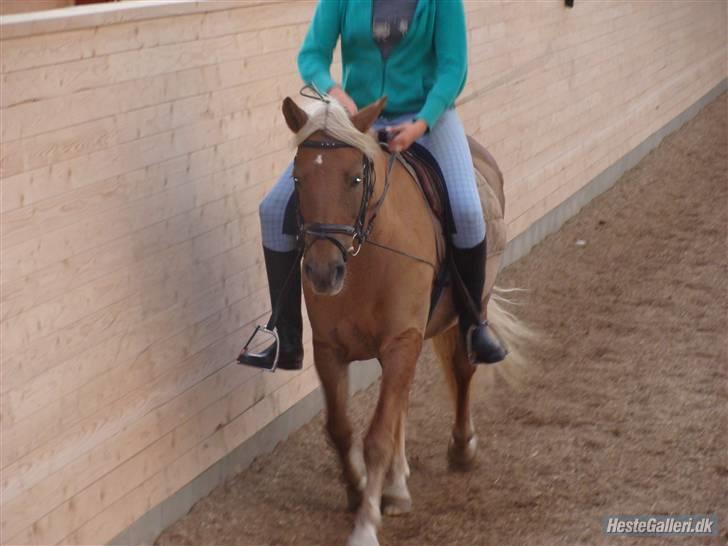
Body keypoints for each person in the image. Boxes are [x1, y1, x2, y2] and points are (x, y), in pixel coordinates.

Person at [239, 0, 506, 371]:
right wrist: (335, 91)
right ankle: (285, 337)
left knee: (466, 208)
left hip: (426, 117)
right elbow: (312, 55)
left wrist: (421, 123)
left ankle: (474, 325)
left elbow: (452, 70)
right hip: (354, 119)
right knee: (272, 210)